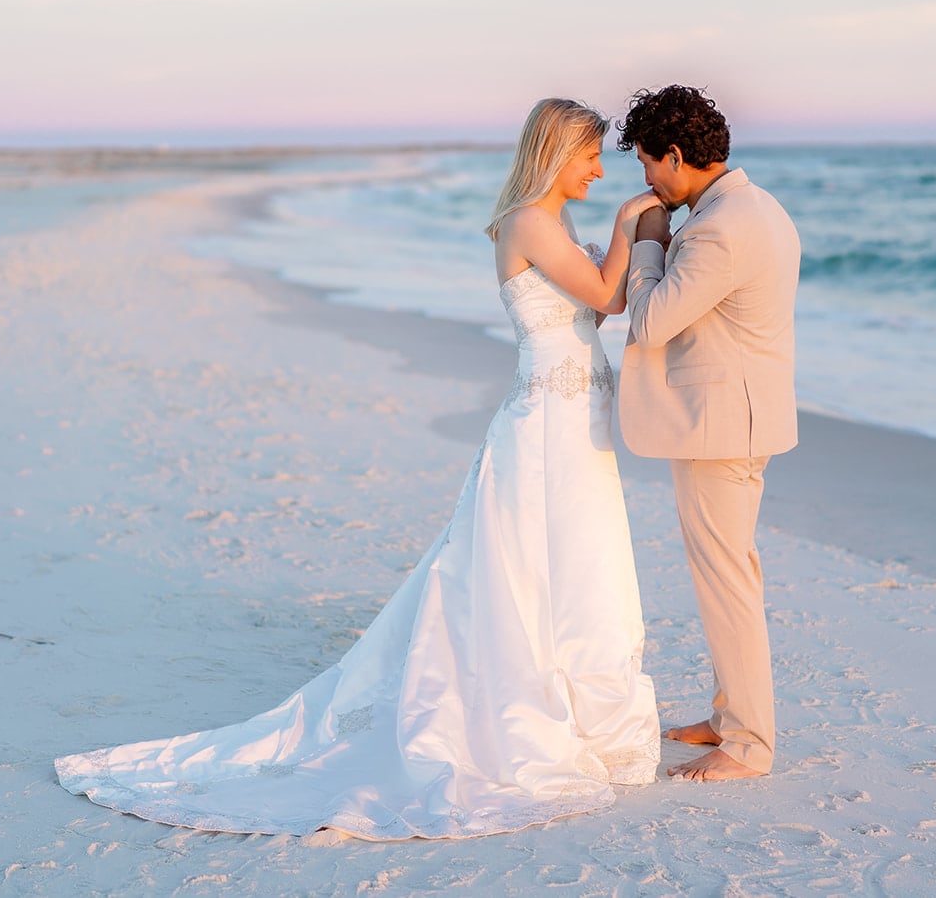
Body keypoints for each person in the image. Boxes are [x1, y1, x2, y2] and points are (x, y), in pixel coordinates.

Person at [55, 98, 664, 838]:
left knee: (573, 563)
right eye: (592, 155)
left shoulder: (553, 222)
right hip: (545, 423)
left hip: (573, 416)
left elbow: (590, 316)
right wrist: (634, 217)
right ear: (558, 152)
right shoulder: (532, 220)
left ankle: (576, 701)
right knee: (533, 567)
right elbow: (604, 294)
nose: (601, 169)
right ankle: (527, 705)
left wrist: (618, 238)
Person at [615, 85, 800, 782]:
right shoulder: (754, 207)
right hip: (739, 417)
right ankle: (728, 715)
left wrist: (649, 244)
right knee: (730, 570)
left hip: (723, 426)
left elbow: (652, 319)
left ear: (675, 154)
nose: (647, 181)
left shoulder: (722, 226)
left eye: (648, 165)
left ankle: (749, 743)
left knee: (726, 578)